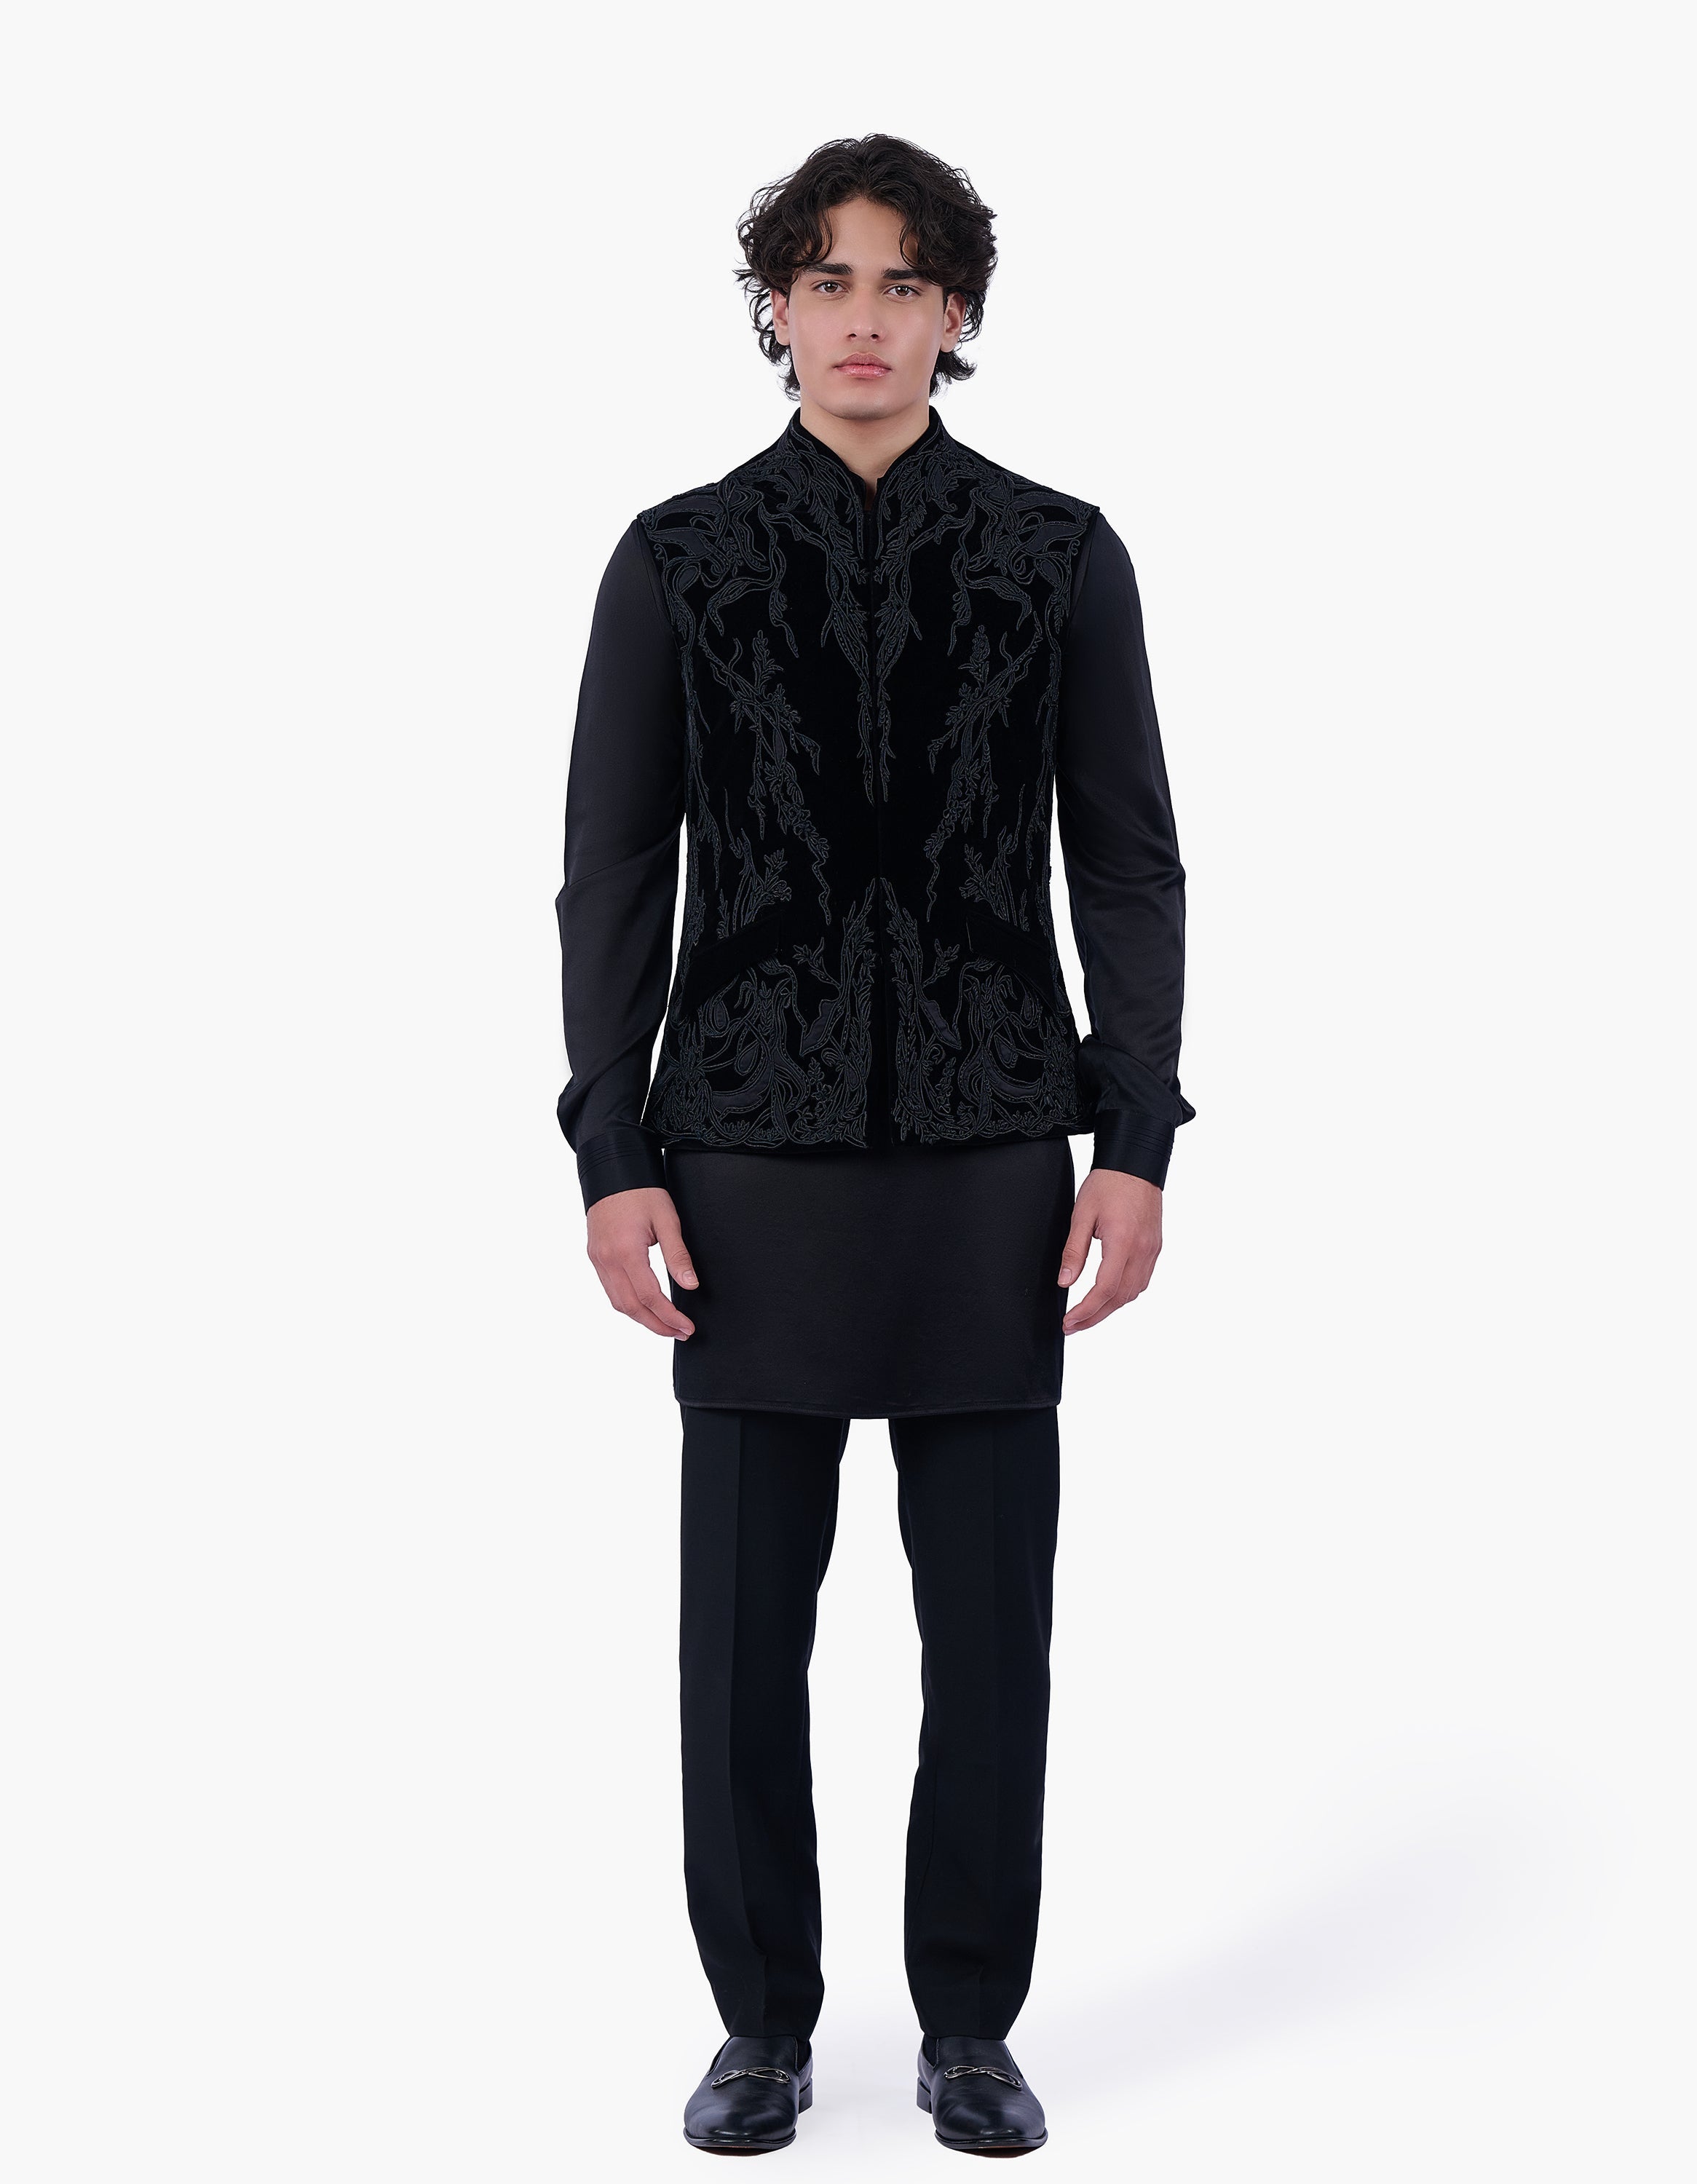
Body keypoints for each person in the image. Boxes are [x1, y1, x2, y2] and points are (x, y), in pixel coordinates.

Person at [555, 133, 1192, 2158]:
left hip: (995, 1158)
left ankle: (968, 2027)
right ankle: (760, 2026)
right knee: (745, 1637)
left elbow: (1129, 865)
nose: (862, 319)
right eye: (825, 281)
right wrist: (611, 1152)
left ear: (956, 314)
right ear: (774, 308)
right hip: (742, 1159)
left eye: (903, 283)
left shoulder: (1057, 554)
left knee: (988, 1634)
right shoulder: (677, 558)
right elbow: (609, 877)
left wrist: (1135, 1138)